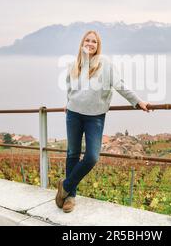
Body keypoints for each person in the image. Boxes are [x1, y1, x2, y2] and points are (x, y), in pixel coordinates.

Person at [55, 30, 152, 213]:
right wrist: (68, 102)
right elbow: (69, 87)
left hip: (95, 117)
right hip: (73, 114)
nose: (90, 44)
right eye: (87, 40)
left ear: (98, 46)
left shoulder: (105, 65)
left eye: (94, 42)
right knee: (73, 154)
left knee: (92, 157)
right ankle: (70, 196)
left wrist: (138, 101)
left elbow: (120, 85)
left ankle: (65, 185)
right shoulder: (73, 64)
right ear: (82, 42)